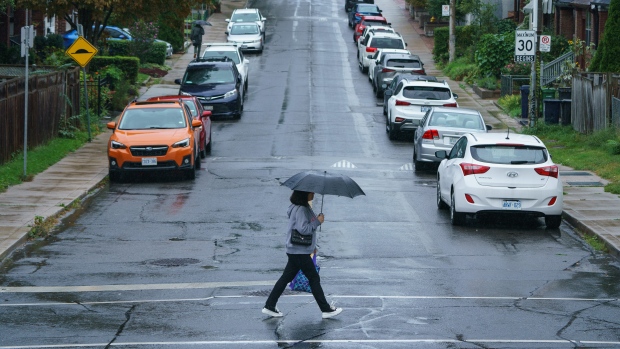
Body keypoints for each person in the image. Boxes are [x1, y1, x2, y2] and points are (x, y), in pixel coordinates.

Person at [262, 190, 343, 319]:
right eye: (311, 192)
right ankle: (325, 309)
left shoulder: (299, 207)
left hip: (296, 250)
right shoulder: (301, 209)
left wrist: (312, 246)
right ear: (304, 193)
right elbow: (303, 229)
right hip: (299, 251)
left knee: (285, 278)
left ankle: (270, 305)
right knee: (313, 278)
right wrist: (318, 221)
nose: (313, 194)